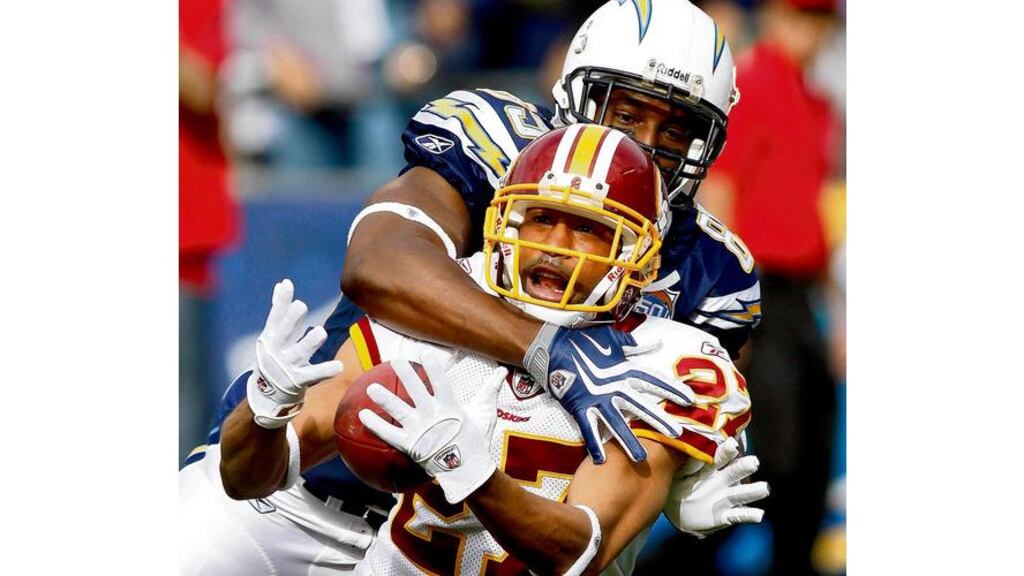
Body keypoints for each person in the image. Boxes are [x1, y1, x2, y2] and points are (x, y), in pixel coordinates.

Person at [181, 0, 762, 571]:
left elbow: (643, 470)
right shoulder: (499, 145)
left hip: (478, 541)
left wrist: (677, 484)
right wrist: (547, 348)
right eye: (626, 114)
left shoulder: (712, 273)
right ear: (575, 96)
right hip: (298, 498)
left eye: (675, 128)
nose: (643, 145)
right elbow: (380, 262)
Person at [698, 0, 840, 572]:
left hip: (802, 293)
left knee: (811, 454)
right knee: (773, 460)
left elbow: (814, 209)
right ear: (777, 16)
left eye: (820, 19)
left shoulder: (817, 101)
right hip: (758, 289)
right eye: (801, 15)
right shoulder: (751, 85)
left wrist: (836, 314)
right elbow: (722, 194)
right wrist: (726, 305)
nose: (809, 30)